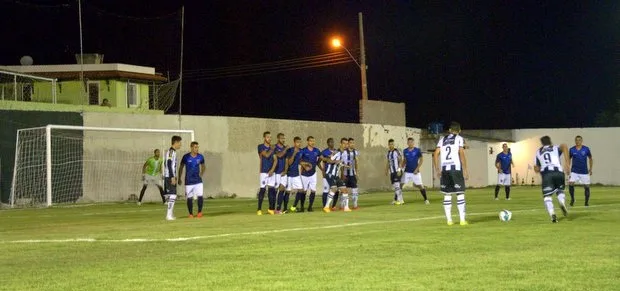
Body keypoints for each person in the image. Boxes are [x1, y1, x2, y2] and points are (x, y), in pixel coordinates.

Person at [433, 122, 469, 226]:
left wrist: (437, 169)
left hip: (445, 170)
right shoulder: (459, 139)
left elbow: (435, 154)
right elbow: (461, 154)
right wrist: (465, 170)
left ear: (449, 130)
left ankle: (449, 221)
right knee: (460, 193)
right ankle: (462, 220)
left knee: (447, 194)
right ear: (460, 130)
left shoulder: (442, 140)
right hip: (455, 169)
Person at [533, 136, 569, 223]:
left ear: (542, 143)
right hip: (559, 172)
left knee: (547, 196)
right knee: (560, 190)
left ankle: (552, 214)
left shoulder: (538, 152)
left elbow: (536, 168)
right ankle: (562, 202)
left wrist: (541, 168)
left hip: (547, 174)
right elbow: (564, 145)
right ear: (550, 141)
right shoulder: (555, 148)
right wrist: (567, 163)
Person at [178, 142, 206, 218]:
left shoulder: (200, 157)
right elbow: (181, 167)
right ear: (191, 147)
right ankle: (190, 214)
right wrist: (179, 178)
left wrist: (202, 173)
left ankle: (199, 212)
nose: (197, 149)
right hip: (189, 181)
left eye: (197, 147)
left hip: (198, 181)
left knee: (200, 196)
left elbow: (203, 166)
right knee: (189, 198)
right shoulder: (185, 157)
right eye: (195, 147)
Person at [323, 138, 351, 212]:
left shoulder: (343, 153)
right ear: (340, 144)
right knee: (334, 189)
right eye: (344, 143)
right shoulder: (336, 152)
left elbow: (339, 163)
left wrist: (345, 165)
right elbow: (328, 160)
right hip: (330, 174)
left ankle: (346, 207)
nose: (345, 145)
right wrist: (336, 161)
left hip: (336, 175)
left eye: (347, 144)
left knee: (345, 190)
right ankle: (326, 207)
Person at [400, 137, 429, 205]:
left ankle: (426, 199)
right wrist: (401, 167)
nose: (410, 143)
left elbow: (421, 160)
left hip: (415, 172)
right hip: (407, 171)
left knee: (420, 186)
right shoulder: (405, 151)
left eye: (411, 142)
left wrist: (417, 169)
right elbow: (404, 160)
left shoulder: (417, 150)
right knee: (400, 185)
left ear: (413, 143)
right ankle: (397, 199)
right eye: (409, 142)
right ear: (407, 143)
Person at [297, 136, 321, 212]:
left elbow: (321, 157)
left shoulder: (316, 150)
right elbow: (299, 161)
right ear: (307, 142)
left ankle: (310, 207)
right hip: (304, 174)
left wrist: (319, 163)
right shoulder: (303, 150)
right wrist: (304, 166)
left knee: (313, 190)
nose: (312, 142)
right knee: (304, 191)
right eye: (311, 141)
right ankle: (302, 207)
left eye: (313, 141)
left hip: (313, 173)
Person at [568, 136, 593, 206]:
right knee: (571, 184)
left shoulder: (586, 149)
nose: (578, 141)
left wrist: (590, 169)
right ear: (575, 141)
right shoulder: (572, 149)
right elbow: (568, 159)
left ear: (582, 141)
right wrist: (568, 168)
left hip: (584, 171)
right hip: (574, 171)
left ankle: (586, 202)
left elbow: (590, 158)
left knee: (587, 187)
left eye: (579, 140)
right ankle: (572, 199)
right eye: (576, 140)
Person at [257, 131, 277, 215]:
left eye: (270, 137)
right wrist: (272, 149)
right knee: (262, 190)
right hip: (264, 172)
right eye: (268, 137)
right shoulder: (260, 147)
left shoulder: (272, 148)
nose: (270, 138)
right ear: (264, 138)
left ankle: (270, 209)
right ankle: (259, 209)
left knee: (272, 190)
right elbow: (266, 155)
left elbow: (275, 160)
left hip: (271, 172)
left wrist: (272, 170)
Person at [281, 137, 303, 213]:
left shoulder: (301, 151)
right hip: (289, 174)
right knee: (288, 191)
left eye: (300, 142)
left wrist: (305, 164)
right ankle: (285, 208)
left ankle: (293, 206)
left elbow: (299, 161)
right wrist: (294, 153)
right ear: (294, 143)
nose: (299, 144)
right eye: (297, 142)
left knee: (301, 190)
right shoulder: (290, 150)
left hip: (296, 174)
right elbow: (289, 162)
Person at [164, 135, 182, 221]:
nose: (180, 145)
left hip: (171, 176)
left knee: (172, 195)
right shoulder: (171, 152)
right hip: (169, 176)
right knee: (173, 195)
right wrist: (172, 177)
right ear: (175, 142)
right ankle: (168, 215)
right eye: (179, 143)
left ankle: (170, 214)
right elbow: (168, 163)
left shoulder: (173, 152)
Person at [274, 133, 289, 214]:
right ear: (278, 139)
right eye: (281, 138)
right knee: (275, 190)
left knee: (282, 189)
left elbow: (286, 160)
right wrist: (286, 149)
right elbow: (279, 155)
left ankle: (278, 208)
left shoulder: (284, 148)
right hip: (276, 172)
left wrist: (286, 171)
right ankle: (272, 207)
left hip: (283, 173)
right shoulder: (274, 147)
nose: (283, 140)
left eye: (284, 138)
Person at [320, 138, 336, 208]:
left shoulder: (336, 151)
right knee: (326, 190)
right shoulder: (324, 152)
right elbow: (319, 162)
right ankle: (324, 206)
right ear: (328, 143)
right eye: (330, 142)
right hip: (326, 173)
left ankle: (333, 206)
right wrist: (322, 170)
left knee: (335, 190)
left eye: (333, 142)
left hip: (334, 174)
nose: (332, 143)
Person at [344, 137, 360, 209]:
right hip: (345, 175)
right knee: (344, 190)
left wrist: (356, 173)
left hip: (353, 174)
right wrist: (342, 174)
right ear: (348, 144)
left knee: (355, 190)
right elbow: (341, 163)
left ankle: (355, 205)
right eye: (351, 143)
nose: (352, 144)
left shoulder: (355, 152)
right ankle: (342, 205)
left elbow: (356, 163)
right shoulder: (344, 152)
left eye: (353, 143)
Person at [386, 139, 403, 204]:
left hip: (397, 171)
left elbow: (400, 160)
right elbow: (388, 162)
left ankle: (400, 200)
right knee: (395, 186)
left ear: (394, 144)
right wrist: (386, 170)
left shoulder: (396, 151)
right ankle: (396, 199)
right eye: (390, 144)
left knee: (397, 185)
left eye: (392, 144)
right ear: (388, 145)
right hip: (392, 172)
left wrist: (399, 169)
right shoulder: (388, 153)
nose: (391, 145)